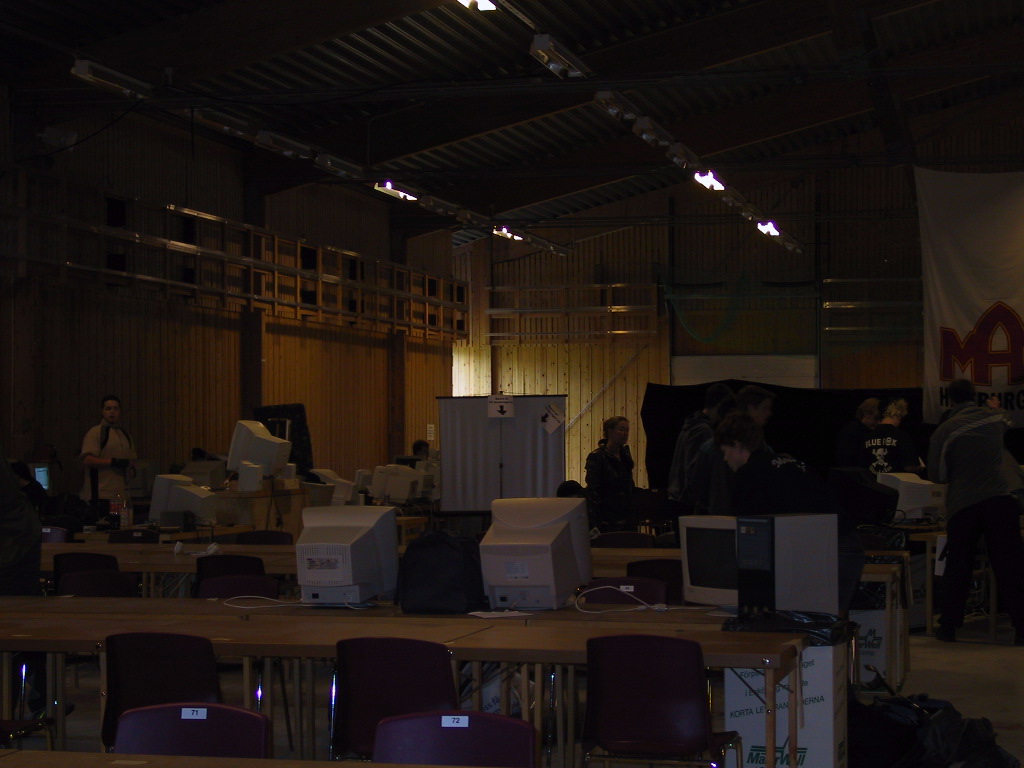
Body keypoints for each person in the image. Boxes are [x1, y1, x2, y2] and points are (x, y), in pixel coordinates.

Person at [714, 412, 864, 616]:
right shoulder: (792, 463)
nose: (725, 458)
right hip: (847, 544)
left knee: (805, 621)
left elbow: (749, 534)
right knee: (832, 621)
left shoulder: (749, 475)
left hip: (820, 550)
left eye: (725, 451)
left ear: (738, 444)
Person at [927, 379, 1024, 644]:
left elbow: (938, 475)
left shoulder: (944, 431)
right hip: (999, 501)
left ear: (951, 400)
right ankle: (1022, 628)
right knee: (1011, 565)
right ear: (974, 396)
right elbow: (1009, 420)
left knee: (958, 566)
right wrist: (995, 406)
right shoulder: (994, 419)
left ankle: (949, 627)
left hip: (964, 504)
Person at [666, 382, 732, 503]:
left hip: (678, 498)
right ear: (721, 404)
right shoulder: (702, 430)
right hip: (686, 502)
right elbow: (695, 472)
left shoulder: (691, 425)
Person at [79, 395, 137, 503]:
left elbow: (132, 460)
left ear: (120, 412)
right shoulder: (95, 433)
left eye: (115, 409)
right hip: (100, 495)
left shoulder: (125, 435)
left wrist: (131, 469)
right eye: (108, 408)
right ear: (102, 412)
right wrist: (113, 462)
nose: (112, 412)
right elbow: (87, 459)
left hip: (121, 495)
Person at [584, 416, 636, 532]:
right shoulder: (597, 457)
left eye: (627, 430)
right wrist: (595, 522)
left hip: (627, 517)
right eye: (621, 429)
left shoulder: (625, 456)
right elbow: (593, 491)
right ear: (610, 431)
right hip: (607, 519)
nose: (625, 434)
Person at [860, 398, 923, 475]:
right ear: (898, 414)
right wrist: (918, 468)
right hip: (895, 482)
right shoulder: (902, 436)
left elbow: (862, 465)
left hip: (872, 481)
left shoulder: (867, 436)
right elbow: (910, 467)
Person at [835, 397, 880, 467]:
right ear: (866, 413)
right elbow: (847, 461)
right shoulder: (851, 432)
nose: (878, 422)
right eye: (876, 418)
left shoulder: (865, 430)